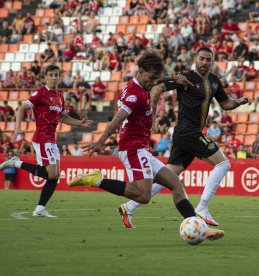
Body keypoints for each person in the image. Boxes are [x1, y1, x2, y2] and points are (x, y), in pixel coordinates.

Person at [67, 51, 224, 240]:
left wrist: (172, 78)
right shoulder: (134, 95)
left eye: (156, 78)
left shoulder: (142, 83)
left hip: (142, 148)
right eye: (151, 78)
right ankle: (96, 180)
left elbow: (157, 80)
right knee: (143, 196)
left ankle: (199, 227)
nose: (154, 82)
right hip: (132, 148)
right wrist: (101, 141)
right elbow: (116, 120)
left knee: (176, 184)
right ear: (141, 72)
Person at [120, 47, 252, 227]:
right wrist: (152, 114)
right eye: (202, 59)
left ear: (212, 61)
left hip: (188, 134)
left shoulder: (214, 81)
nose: (205, 63)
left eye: (208, 60)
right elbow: (157, 87)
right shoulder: (185, 77)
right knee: (223, 163)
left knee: (170, 174)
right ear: (195, 59)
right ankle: (202, 208)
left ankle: (129, 206)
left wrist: (239, 102)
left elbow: (226, 104)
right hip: (187, 131)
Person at [0, 65, 94, 217]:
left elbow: (62, 117)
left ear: (59, 77)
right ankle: (15, 163)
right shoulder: (40, 93)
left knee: (54, 176)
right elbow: (21, 109)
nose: (54, 77)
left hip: (52, 139)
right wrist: (17, 129)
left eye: (56, 75)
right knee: (52, 174)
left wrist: (80, 123)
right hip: (42, 137)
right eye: (50, 75)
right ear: (45, 77)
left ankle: (39, 209)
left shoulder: (59, 96)